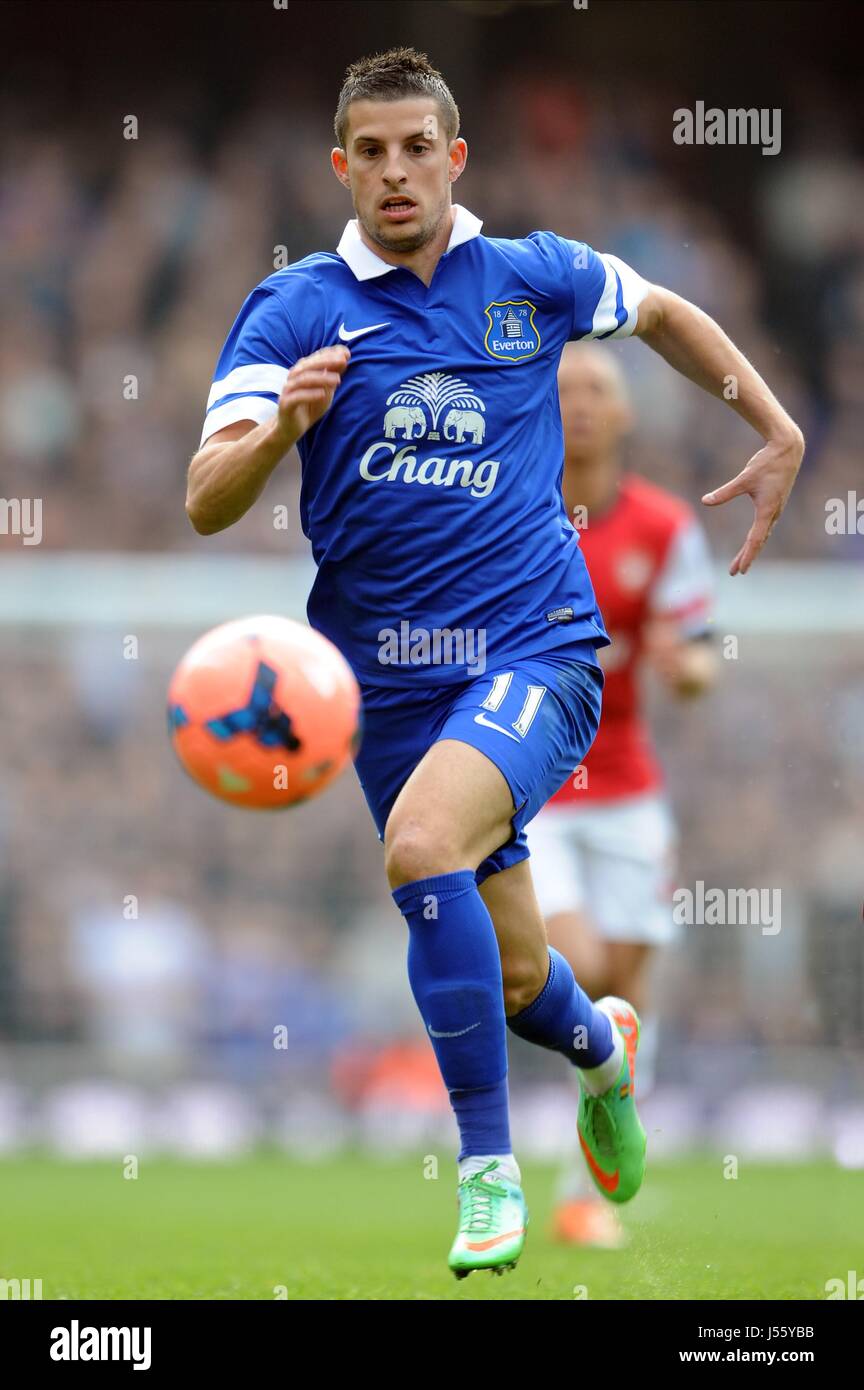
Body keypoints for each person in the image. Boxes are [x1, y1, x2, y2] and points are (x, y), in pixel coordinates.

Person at [185, 47, 803, 1277]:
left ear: (455, 156)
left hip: (536, 649)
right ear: (342, 168)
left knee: (419, 853)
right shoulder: (297, 309)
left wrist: (775, 425)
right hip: (387, 688)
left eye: (419, 147)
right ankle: (602, 1051)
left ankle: (484, 1173)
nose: (397, 171)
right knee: (522, 973)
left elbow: (667, 314)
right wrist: (285, 431)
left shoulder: (534, 274)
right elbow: (207, 496)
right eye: (373, 152)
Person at [528, 342, 716, 1247]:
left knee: (629, 998)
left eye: (599, 389)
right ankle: (581, 1161)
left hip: (631, 790)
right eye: (564, 392)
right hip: (535, 787)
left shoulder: (665, 528)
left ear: (628, 412)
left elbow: (700, 652)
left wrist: (689, 670)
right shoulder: (510, 515)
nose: (582, 406)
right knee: (588, 978)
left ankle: (580, 1196)